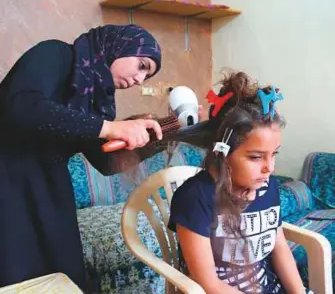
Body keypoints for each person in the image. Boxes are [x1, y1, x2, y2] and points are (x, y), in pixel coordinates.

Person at [0, 24, 163, 290]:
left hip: (50, 190)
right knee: (15, 276)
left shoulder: (96, 97)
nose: (139, 80)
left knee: (64, 277)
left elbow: (104, 162)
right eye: (142, 65)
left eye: (147, 75)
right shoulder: (55, 54)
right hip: (8, 184)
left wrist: (158, 136)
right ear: (120, 46)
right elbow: (21, 105)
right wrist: (110, 127)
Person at [168, 71, 313, 293]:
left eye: (274, 154)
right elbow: (209, 283)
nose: (270, 168)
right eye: (256, 157)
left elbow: (279, 247)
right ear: (222, 153)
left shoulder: (268, 187)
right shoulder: (195, 198)